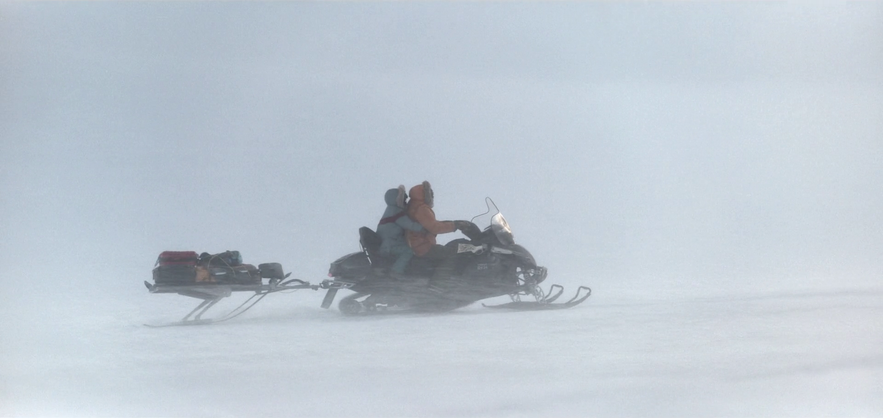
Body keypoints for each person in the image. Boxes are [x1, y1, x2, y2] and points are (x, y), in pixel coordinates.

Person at [405, 181, 474, 293]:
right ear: (425, 195)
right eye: (430, 194)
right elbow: (435, 227)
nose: (432, 197)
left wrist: (454, 223)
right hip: (422, 246)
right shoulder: (422, 208)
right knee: (452, 253)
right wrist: (455, 225)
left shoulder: (414, 206)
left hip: (418, 244)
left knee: (452, 248)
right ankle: (438, 285)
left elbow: (429, 224)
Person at [376, 185, 425, 278]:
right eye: (404, 200)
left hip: (387, 244)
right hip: (390, 245)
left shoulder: (389, 211)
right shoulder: (396, 212)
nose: (405, 203)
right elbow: (410, 225)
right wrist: (424, 228)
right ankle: (396, 272)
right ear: (397, 200)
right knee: (409, 251)